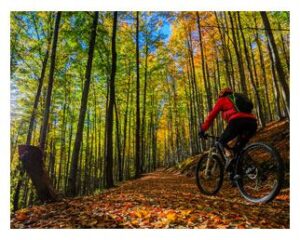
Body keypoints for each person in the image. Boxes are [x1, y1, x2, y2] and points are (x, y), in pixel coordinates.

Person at [199, 87, 257, 155]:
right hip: (252, 123)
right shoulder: (237, 98)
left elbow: (211, 116)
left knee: (221, 141)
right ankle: (245, 163)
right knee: (239, 148)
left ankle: (230, 157)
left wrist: (203, 129)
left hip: (237, 122)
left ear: (221, 95)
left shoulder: (222, 100)